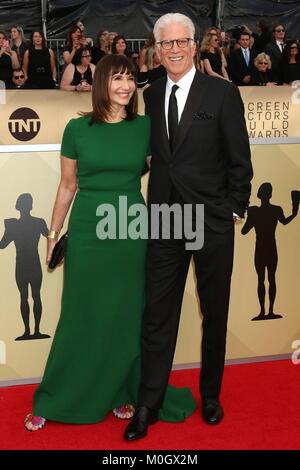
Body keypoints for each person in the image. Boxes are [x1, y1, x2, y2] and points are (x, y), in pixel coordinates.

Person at [24, 54, 196, 431]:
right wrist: (53, 234)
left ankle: (121, 391)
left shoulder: (145, 126)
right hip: (88, 228)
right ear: (102, 83)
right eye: (117, 78)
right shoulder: (77, 128)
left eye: (131, 79)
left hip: (130, 227)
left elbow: (165, 171)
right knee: (81, 313)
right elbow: (68, 185)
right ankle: (57, 396)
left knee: (126, 314)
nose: (125, 86)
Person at [124, 12, 253, 441]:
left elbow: (240, 159)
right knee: (157, 314)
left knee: (213, 312)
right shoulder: (153, 92)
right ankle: (148, 402)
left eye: (182, 42)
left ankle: (211, 395)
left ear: (195, 45)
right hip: (164, 220)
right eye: (166, 44)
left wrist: (234, 209)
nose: (174, 50)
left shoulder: (222, 92)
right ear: (156, 50)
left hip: (211, 221)